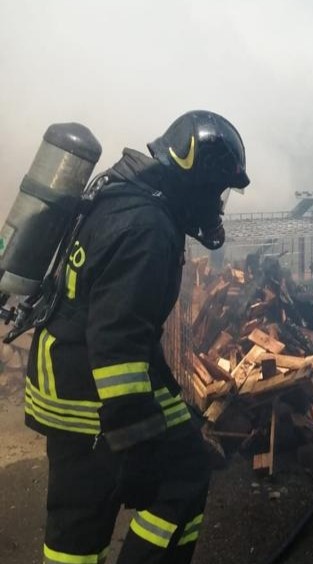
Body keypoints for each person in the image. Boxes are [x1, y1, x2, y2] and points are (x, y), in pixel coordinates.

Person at [24, 110, 249, 563]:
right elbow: (117, 344)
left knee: (92, 513)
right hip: (85, 394)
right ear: (195, 181)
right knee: (91, 522)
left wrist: (167, 403)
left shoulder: (126, 195)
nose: (217, 203)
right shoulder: (148, 230)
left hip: (66, 370)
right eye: (216, 189)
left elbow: (124, 331)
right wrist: (135, 443)